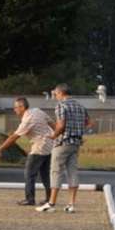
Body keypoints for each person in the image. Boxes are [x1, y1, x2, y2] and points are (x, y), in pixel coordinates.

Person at [37, 83, 91, 213]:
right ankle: (71, 204)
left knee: (55, 171)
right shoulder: (80, 106)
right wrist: (78, 131)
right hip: (76, 143)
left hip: (63, 142)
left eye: (55, 93)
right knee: (72, 172)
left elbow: (60, 126)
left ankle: (51, 203)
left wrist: (53, 135)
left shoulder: (61, 105)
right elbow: (88, 122)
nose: (54, 95)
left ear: (61, 93)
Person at [0, 97, 55, 206]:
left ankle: (30, 199)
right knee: (45, 174)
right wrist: (57, 136)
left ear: (22, 107)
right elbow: (52, 124)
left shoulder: (28, 119)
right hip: (50, 146)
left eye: (16, 107)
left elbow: (14, 137)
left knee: (29, 174)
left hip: (39, 147)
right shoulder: (38, 111)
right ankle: (50, 198)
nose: (14, 110)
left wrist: (1, 148)